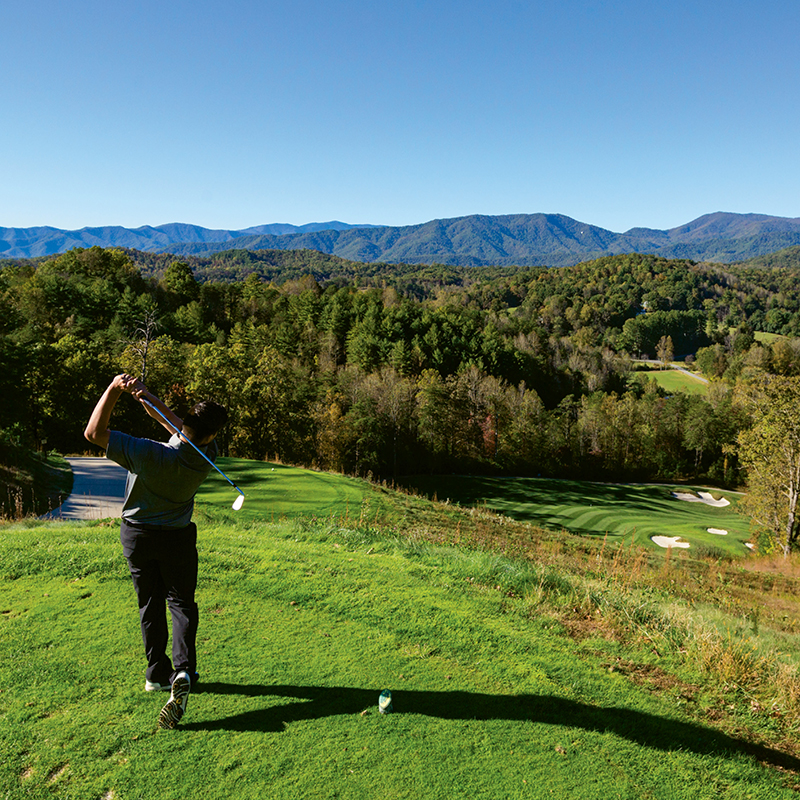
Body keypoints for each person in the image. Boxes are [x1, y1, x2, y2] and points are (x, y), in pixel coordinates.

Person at [84, 373, 228, 729]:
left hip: (138, 536)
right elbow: (177, 425)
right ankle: (183, 670)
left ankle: (155, 673)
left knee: (149, 601)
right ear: (210, 435)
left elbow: (93, 433)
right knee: (181, 603)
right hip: (177, 538)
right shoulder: (205, 455)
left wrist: (114, 390)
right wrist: (146, 397)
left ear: (188, 424)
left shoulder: (146, 452)